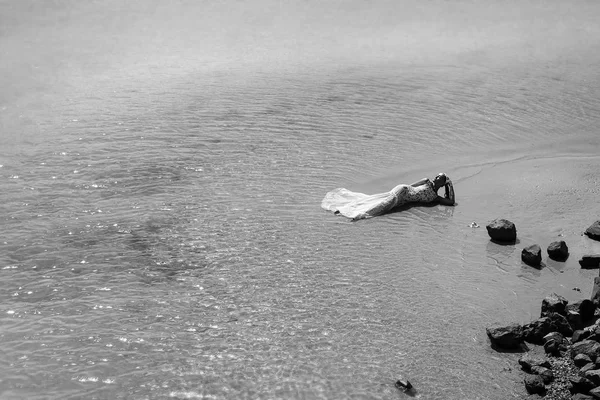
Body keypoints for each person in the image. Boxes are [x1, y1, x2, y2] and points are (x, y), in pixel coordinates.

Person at [321, 173, 455, 220]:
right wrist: (403, 190)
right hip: (403, 191)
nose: (436, 178)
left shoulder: (435, 198)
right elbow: (410, 186)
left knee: (379, 200)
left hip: (404, 200)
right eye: (437, 176)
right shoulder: (426, 181)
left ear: (443, 184)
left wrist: (450, 185)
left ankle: (348, 209)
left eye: (441, 178)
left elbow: (451, 202)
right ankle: (357, 213)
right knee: (385, 203)